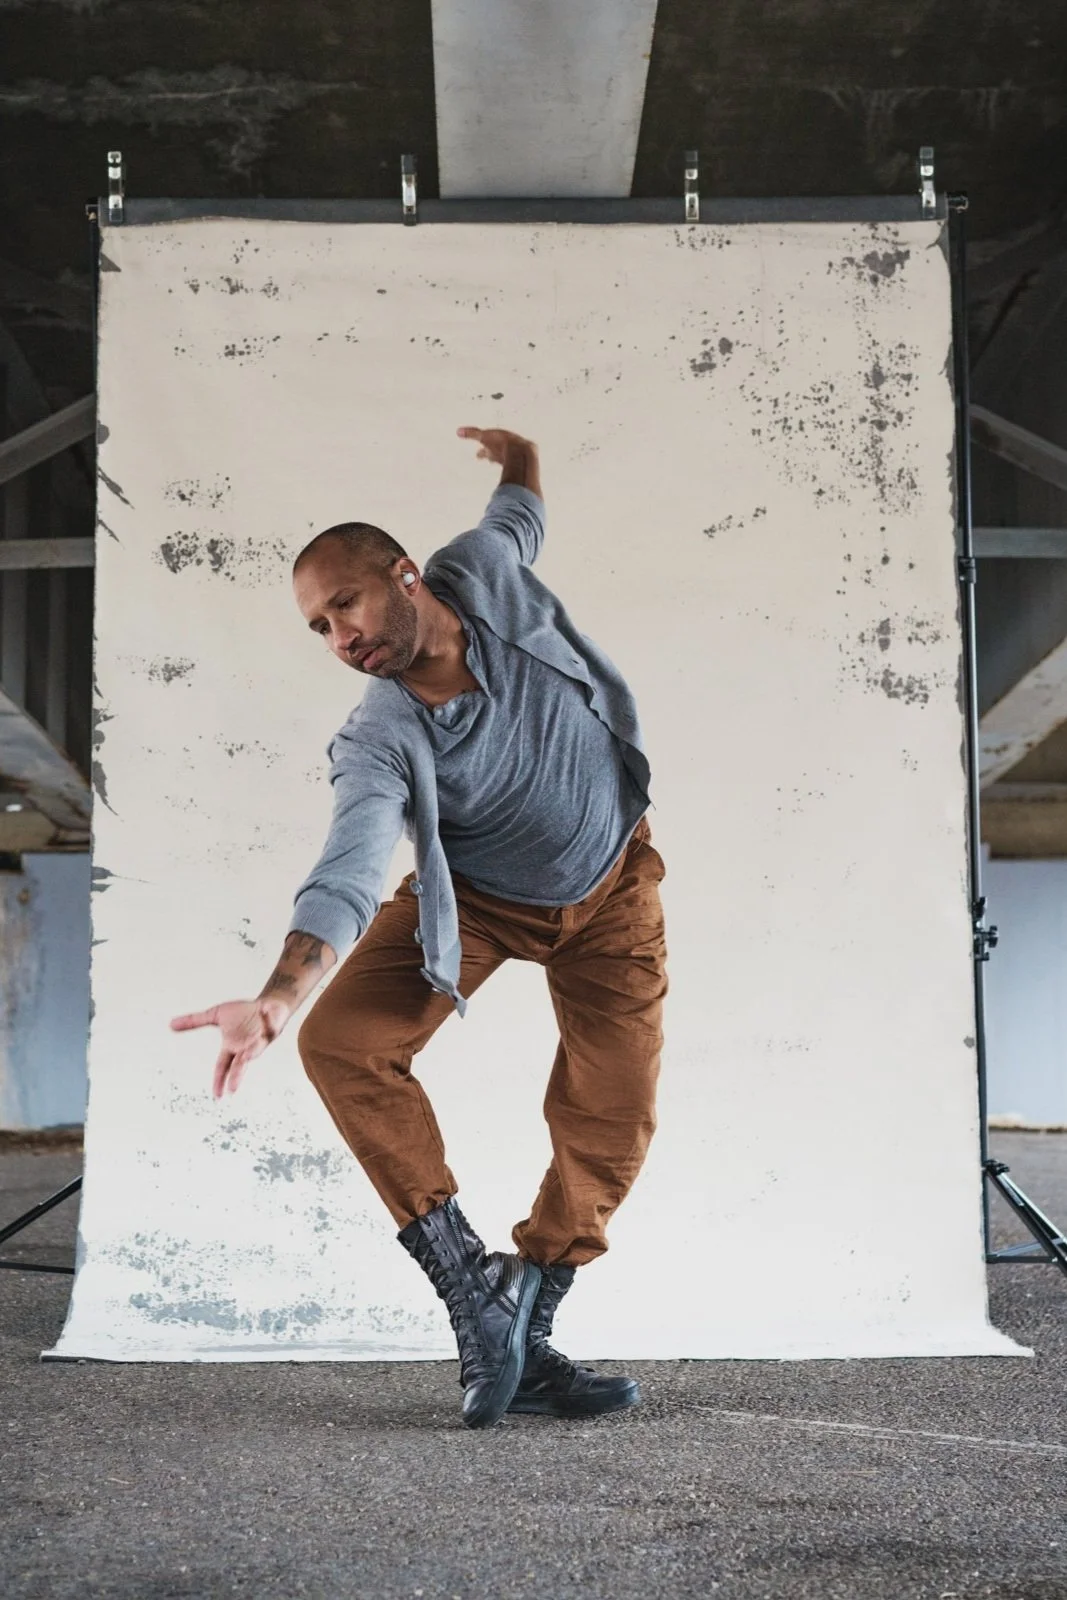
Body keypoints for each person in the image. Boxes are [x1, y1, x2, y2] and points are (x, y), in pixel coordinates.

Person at [171, 426, 668, 1429]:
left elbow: (517, 516)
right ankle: (470, 1289)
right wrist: (275, 999)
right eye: (318, 627)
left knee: (613, 1114)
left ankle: (526, 1320)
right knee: (339, 1043)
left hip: (614, 889)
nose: (339, 637)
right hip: (475, 901)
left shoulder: (481, 573)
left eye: (344, 604)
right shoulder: (378, 733)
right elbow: (349, 868)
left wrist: (521, 452)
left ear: (404, 574)